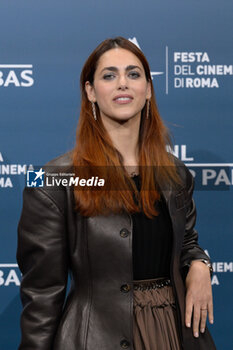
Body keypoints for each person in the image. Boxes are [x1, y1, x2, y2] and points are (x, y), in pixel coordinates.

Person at [17, 37, 217, 350]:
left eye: (133, 74)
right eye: (109, 75)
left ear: (148, 89)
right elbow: (42, 295)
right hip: (96, 338)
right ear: (90, 92)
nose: (122, 83)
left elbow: (187, 243)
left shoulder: (175, 173)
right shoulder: (51, 179)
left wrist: (200, 265)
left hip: (175, 334)